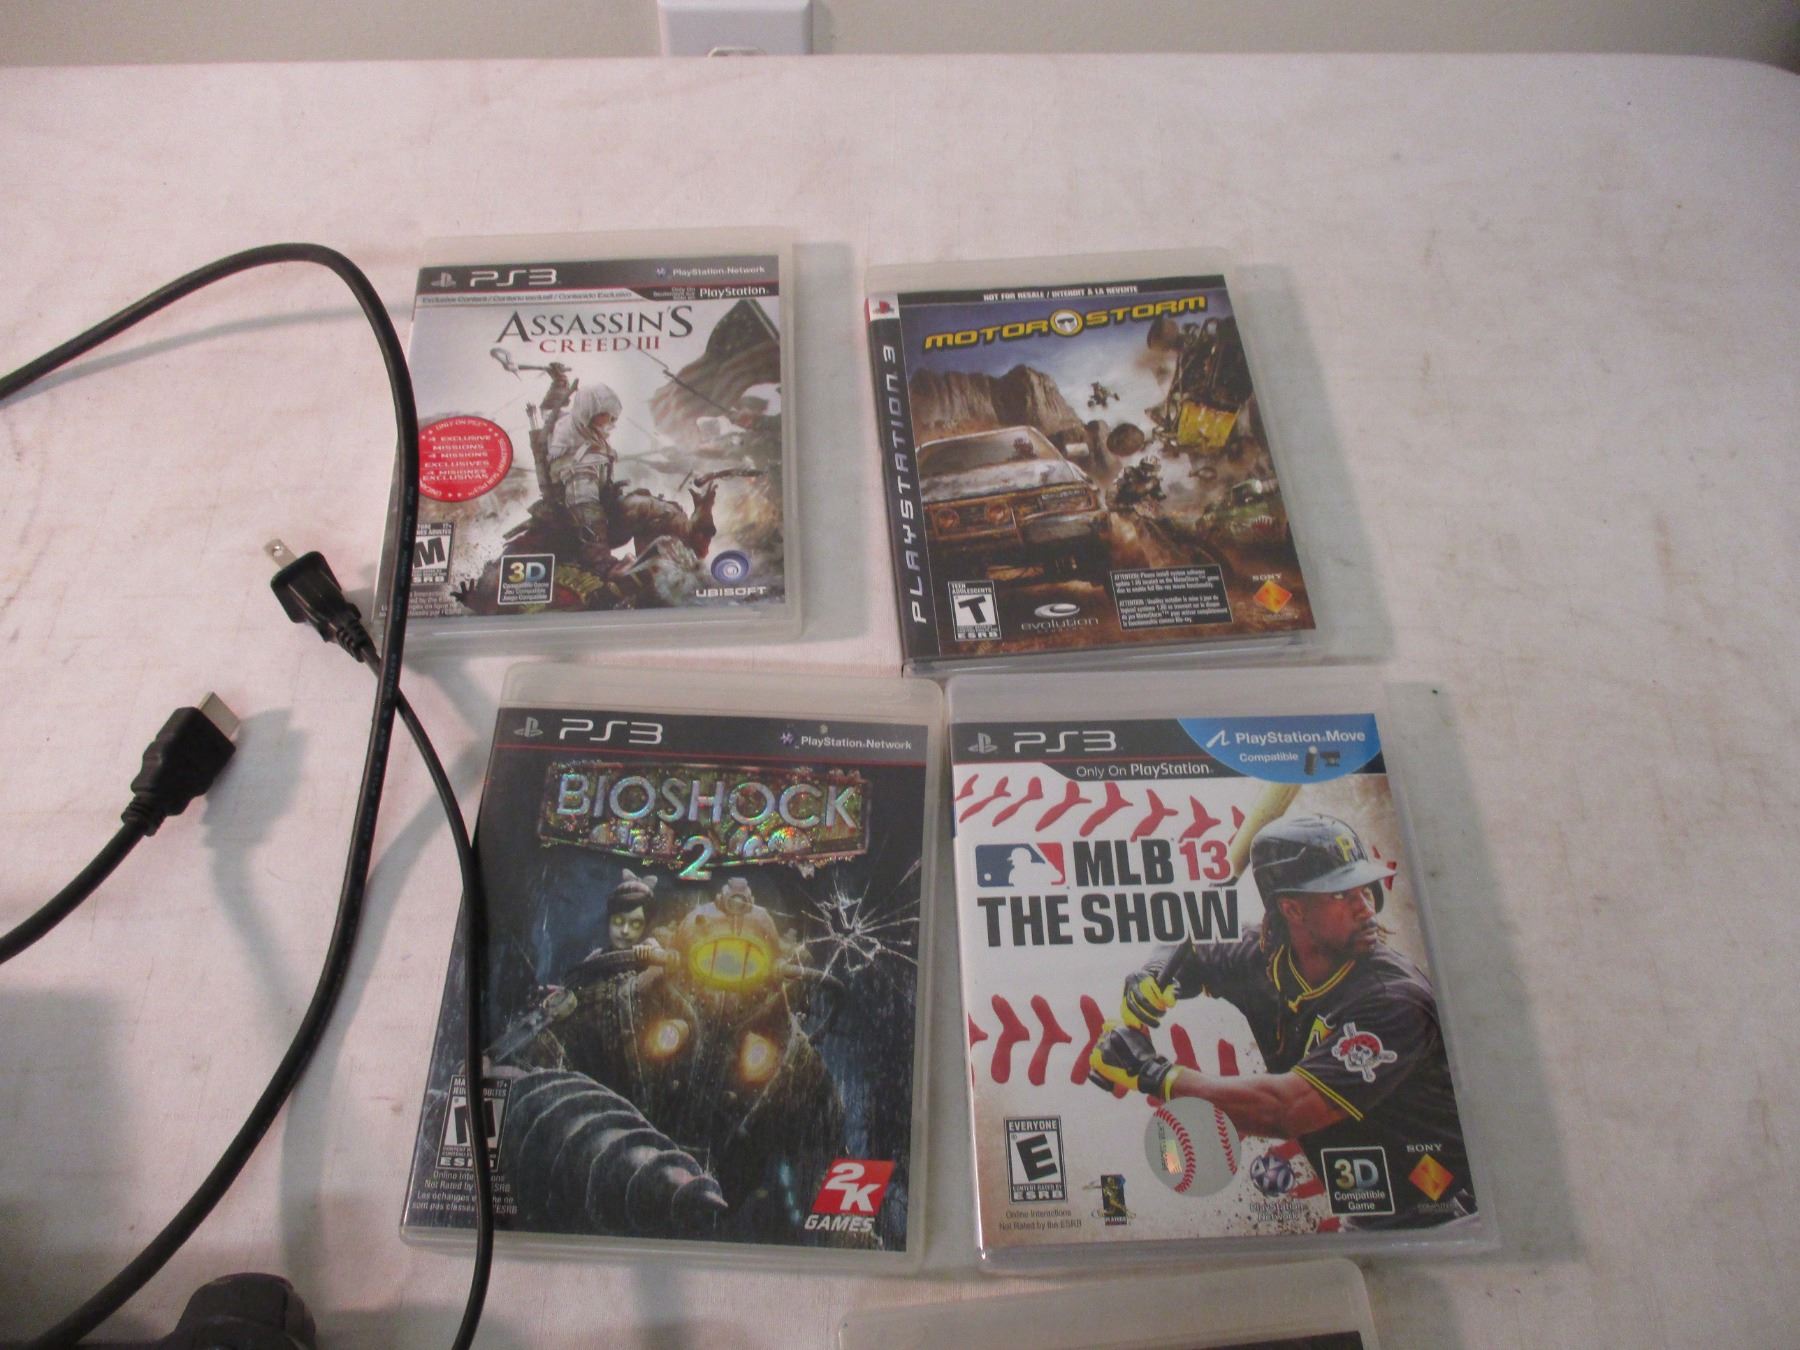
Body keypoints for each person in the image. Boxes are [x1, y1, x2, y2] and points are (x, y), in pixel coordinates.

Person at [1089, 812, 1475, 1227]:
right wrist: (1154, 977)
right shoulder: (1268, 957)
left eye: (1365, 888)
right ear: (1292, 909)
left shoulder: (1393, 999)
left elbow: (1288, 1110)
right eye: (1342, 894)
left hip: (1449, 1212)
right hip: (1372, 1213)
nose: (1366, 908)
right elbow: (1192, 946)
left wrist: (1152, 1073)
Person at [545, 382, 624, 559]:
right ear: (589, 413)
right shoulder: (567, 428)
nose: (609, 419)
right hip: (577, 486)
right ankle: (599, 559)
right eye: (603, 414)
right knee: (586, 503)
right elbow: (584, 507)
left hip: (602, 492)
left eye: (611, 416)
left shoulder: (595, 433)